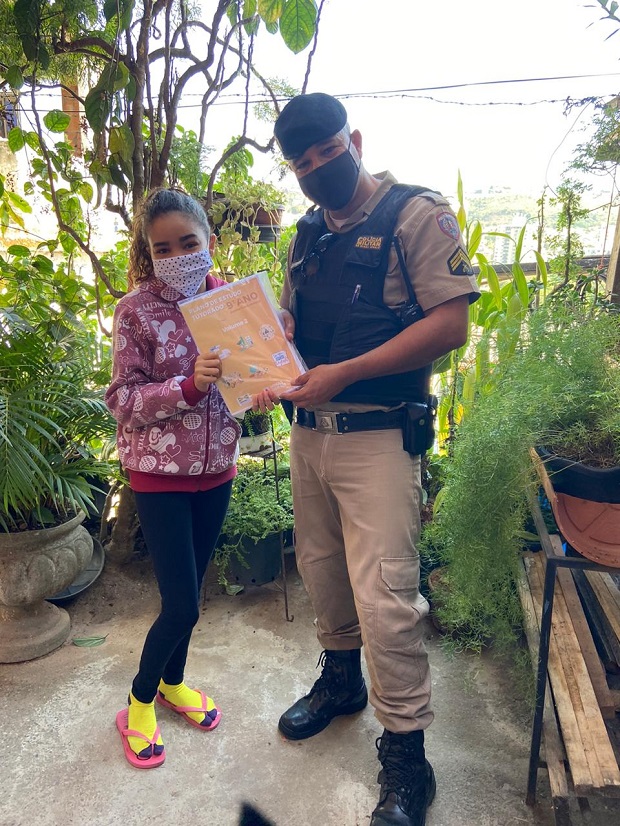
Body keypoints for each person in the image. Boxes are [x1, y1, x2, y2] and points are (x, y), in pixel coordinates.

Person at [256, 93, 480, 825]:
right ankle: (341, 681)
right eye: (303, 163)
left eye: (327, 152)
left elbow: (453, 325)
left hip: (379, 435)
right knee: (323, 575)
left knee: (387, 597)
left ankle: (408, 755)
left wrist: (347, 371)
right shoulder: (305, 235)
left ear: (352, 139)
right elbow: (293, 319)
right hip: (309, 431)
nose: (319, 170)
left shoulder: (415, 214)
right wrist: (276, 340)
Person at [105, 187, 241, 769]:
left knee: (195, 591)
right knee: (181, 604)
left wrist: (258, 389)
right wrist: (188, 387)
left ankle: (173, 681)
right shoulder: (135, 311)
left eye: (189, 242)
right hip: (158, 477)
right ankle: (138, 701)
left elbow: (253, 376)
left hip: (218, 469)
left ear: (209, 240)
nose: (179, 254)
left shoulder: (233, 302)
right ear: (149, 253)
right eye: (164, 248)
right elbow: (122, 399)